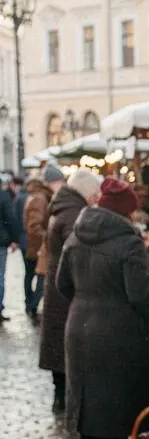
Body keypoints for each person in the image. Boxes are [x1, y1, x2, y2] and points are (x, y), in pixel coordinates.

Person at [56, 174, 149, 439]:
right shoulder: (128, 241)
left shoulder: (77, 235)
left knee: (86, 402)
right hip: (117, 332)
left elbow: (61, 284)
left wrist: (87, 302)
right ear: (124, 210)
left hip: (79, 327)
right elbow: (140, 295)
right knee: (113, 403)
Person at [40, 168, 103, 412]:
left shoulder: (64, 207)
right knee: (65, 344)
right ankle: (66, 400)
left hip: (59, 288)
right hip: (68, 290)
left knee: (59, 343)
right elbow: (77, 250)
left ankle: (61, 397)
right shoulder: (73, 212)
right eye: (94, 193)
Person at [22, 169, 58, 320]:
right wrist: (48, 237)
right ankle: (32, 305)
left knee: (32, 276)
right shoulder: (40, 198)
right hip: (37, 247)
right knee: (40, 277)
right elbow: (34, 225)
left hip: (33, 246)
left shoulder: (36, 197)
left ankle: (31, 304)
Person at [0, 174, 18, 322]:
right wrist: (14, 239)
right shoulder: (4, 196)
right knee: (0, 276)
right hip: (1, 242)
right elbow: (10, 218)